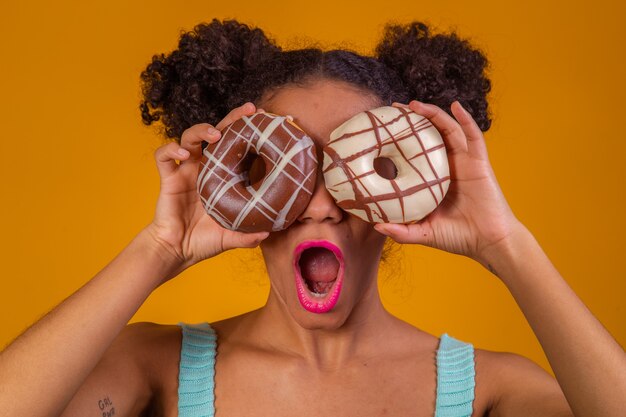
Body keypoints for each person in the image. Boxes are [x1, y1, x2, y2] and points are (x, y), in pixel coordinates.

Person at [0, 19, 624, 417]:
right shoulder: (150, 369)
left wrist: (505, 243)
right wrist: (160, 246)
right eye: (285, 173)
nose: (321, 203)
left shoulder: (495, 391)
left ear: (408, 189)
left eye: (348, 172)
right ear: (236, 183)